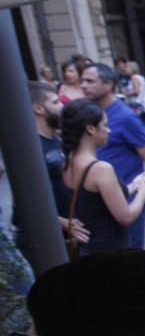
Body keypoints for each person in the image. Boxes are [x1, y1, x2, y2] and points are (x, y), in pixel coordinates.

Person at [80, 63, 145, 246]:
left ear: (108, 84)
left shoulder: (126, 117)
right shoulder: (88, 114)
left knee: (130, 253)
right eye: (82, 80)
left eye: (90, 81)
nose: (83, 85)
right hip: (100, 200)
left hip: (127, 198)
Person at [59, 99, 145, 256]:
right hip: (109, 251)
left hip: (86, 249)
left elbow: (96, 201)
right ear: (90, 129)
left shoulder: (66, 162)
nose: (108, 130)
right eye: (104, 125)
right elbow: (126, 216)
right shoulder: (100, 169)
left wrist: (134, 185)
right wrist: (143, 193)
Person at [13, 82, 87, 253]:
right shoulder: (28, 148)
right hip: (42, 238)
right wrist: (62, 222)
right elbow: (23, 202)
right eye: (55, 102)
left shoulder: (56, 141)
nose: (62, 106)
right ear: (38, 109)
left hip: (63, 233)